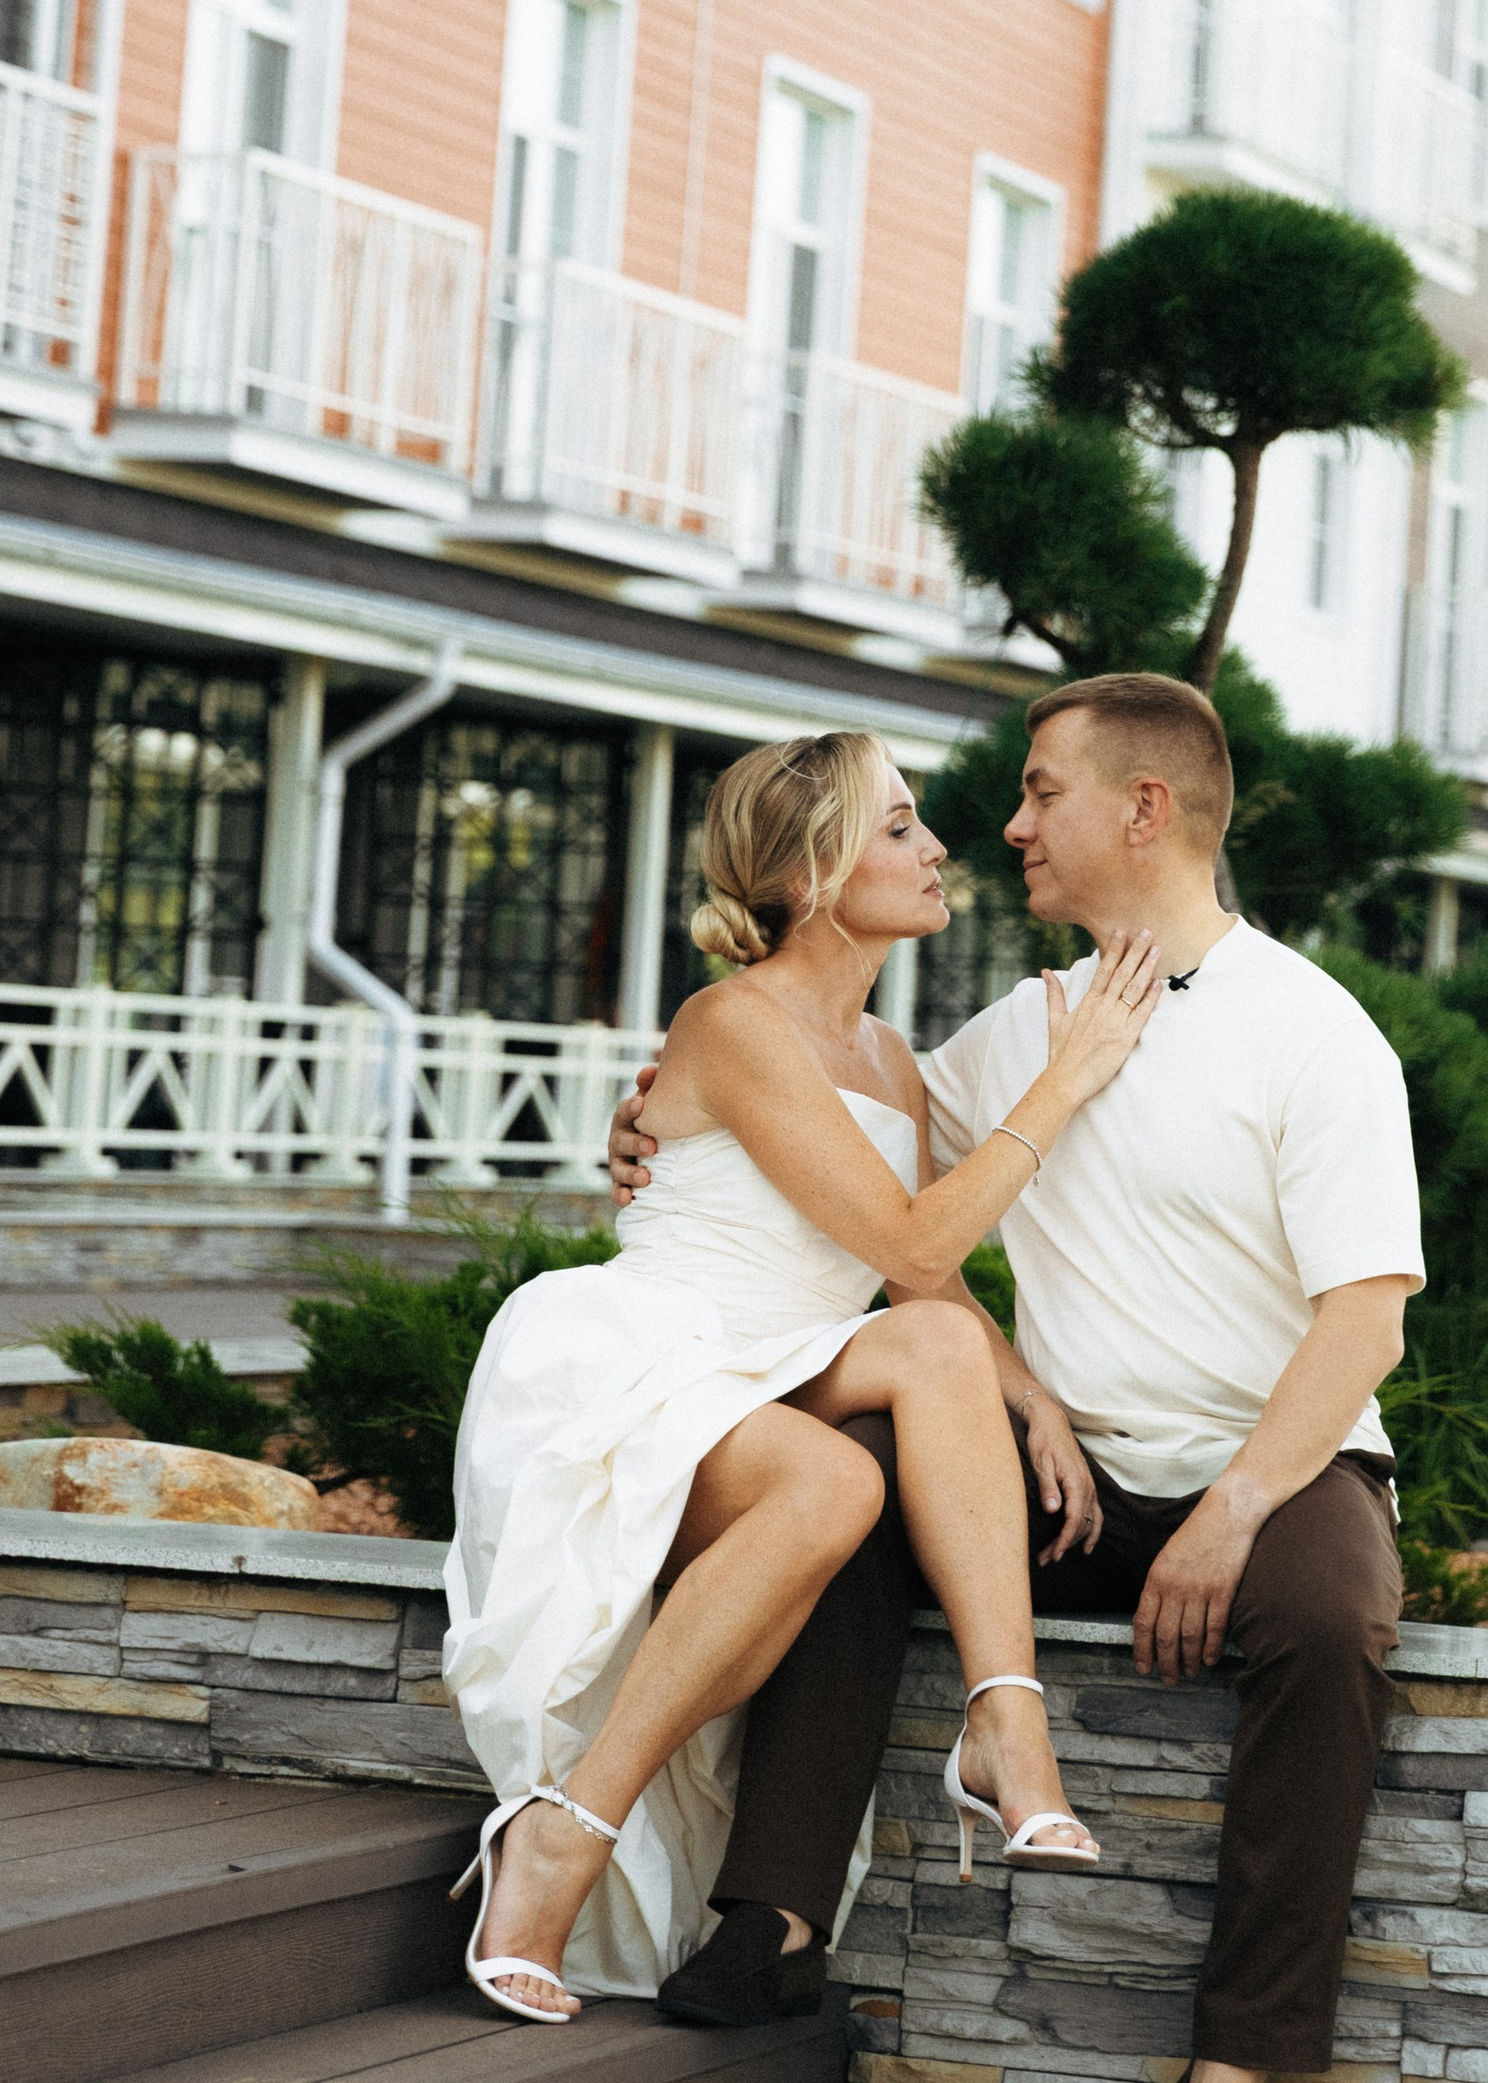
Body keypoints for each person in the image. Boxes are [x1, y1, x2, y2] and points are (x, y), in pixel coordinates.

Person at [613, 670, 1426, 2083]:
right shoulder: (1010, 1037)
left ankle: (1251, 2055)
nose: (1010, 825)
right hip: (1073, 1485)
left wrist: (1233, 1511)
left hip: (1278, 1470)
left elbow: (1367, 1323)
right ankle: (774, 1931)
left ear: (1146, 808)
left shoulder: (1313, 1031)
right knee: (857, 1509)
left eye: (1044, 791)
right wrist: (656, 1122)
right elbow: (834, 1137)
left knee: (1332, 1619)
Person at [443, 725, 1164, 2024]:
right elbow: (909, 1238)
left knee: (943, 1345)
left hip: (784, 1365)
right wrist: (1067, 1082)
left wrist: (1033, 1395)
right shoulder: (731, 1020)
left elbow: (922, 1290)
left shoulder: (892, 1062)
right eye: (899, 828)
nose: (939, 848)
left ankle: (1009, 1715)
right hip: (656, 1360)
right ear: (812, 873)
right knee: (836, 1489)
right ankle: (564, 1830)